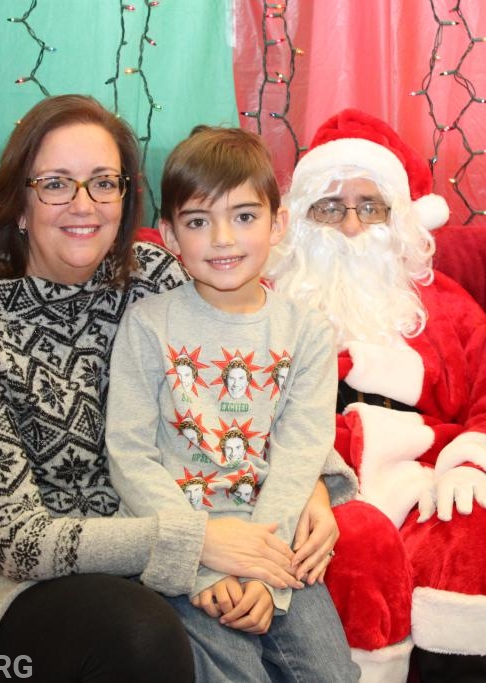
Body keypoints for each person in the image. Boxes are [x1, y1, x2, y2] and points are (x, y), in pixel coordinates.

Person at [0, 95, 347, 682]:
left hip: (186, 534)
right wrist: (196, 543)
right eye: (56, 184)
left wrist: (310, 487)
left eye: (102, 183)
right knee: (143, 635)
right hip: (14, 585)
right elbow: (13, 541)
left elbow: (259, 377)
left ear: (125, 197)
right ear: (20, 201)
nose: (83, 205)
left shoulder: (161, 275)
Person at [266, 109, 486, 682]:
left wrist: (471, 463)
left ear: (399, 218)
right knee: (356, 548)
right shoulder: (267, 299)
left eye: (370, 206)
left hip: (425, 475)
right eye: (330, 207)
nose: (351, 226)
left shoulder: (442, 302)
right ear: (300, 218)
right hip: (316, 476)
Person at [105, 125, 359, 681]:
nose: (223, 238)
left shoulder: (308, 332)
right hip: (180, 544)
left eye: (244, 216)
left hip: (273, 539)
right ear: (170, 236)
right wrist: (196, 560)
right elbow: (128, 453)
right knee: (232, 671)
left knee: (331, 674)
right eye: (199, 221)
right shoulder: (148, 325)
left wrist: (265, 571)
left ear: (279, 223)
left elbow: (299, 454)